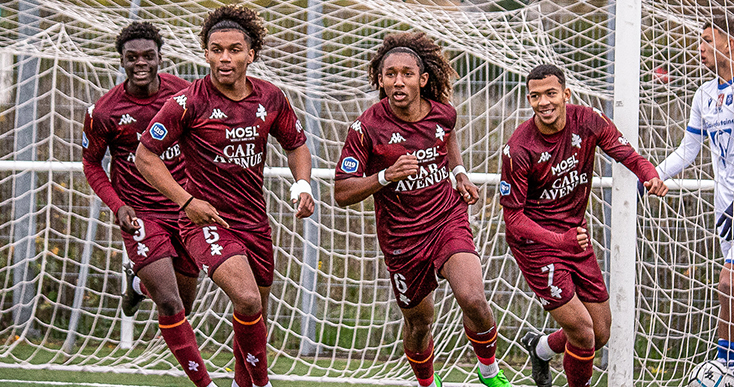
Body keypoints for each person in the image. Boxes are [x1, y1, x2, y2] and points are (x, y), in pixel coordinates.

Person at [135, 5, 315, 387]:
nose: (225, 58)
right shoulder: (188, 102)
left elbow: (296, 144)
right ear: (205, 53)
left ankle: (243, 383)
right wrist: (187, 202)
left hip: (255, 222)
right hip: (205, 221)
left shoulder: (271, 97)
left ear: (251, 54)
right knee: (247, 299)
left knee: (254, 316)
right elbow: (144, 156)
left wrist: (302, 185)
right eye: (216, 49)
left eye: (234, 49)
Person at [334, 32, 511, 387]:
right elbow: (341, 192)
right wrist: (385, 175)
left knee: (473, 298)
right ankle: (427, 383)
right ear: (380, 79)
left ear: (423, 79)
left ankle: (490, 372)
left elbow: (449, 136)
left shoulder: (444, 112)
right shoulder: (366, 128)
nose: (398, 81)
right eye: (390, 74)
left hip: (447, 219)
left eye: (407, 74)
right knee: (419, 322)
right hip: (401, 238)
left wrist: (458, 172)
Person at [500, 64, 668, 387]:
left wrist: (648, 174)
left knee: (600, 331)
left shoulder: (588, 120)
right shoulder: (519, 148)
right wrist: (557, 239)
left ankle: (541, 347)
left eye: (551, 94)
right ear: (529, 99)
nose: (544, 102)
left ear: (566, 94)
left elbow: (628, 154)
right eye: (535, 96)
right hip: (536, 247)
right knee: (582, 331)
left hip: (574, 239)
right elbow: (514, 219)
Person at [82, 22, 216, 387]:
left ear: (160, 58)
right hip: (141, 214)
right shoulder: (104, 112)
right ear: (122, 60)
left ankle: (138, 287)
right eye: (132, 57)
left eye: (148, 56)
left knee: (183, 306)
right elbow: (91, 163)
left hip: (183, 207)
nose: (140, 63)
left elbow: (205, 140)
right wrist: (117, 204)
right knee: (171, 303)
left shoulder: (185, 94)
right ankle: (206, 384)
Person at [652, 13, 734, 369]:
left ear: (729, 42)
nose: (699, 47)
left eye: (706, 39)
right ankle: (726, 363)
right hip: (724, 205)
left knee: (728, 282)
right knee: (730, 285)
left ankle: (724, 364)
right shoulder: (704, 95)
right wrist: (649, 174)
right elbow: (688, 150)